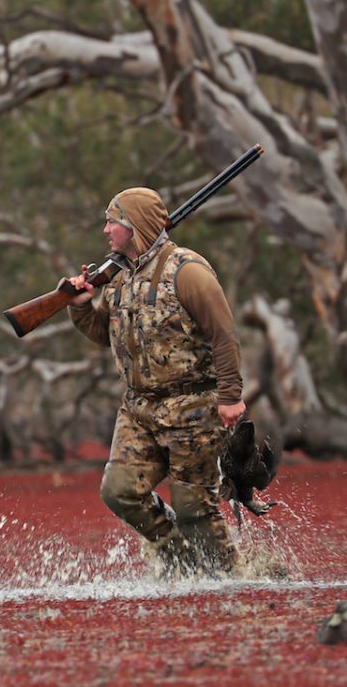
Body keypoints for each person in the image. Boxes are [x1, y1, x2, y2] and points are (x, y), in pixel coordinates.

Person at [67, 187, 246, 577]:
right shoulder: (116, 276)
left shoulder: (188, 271)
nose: (105, 230)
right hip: (138, 409)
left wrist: (230, 397)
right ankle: (178, 559)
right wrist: (80, 308)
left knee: (193, 509)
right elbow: (105, 335)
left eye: (113, 221)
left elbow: (224, 336)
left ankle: (230, 581)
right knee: (119, 491)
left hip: (192, 409)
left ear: (136, 227)